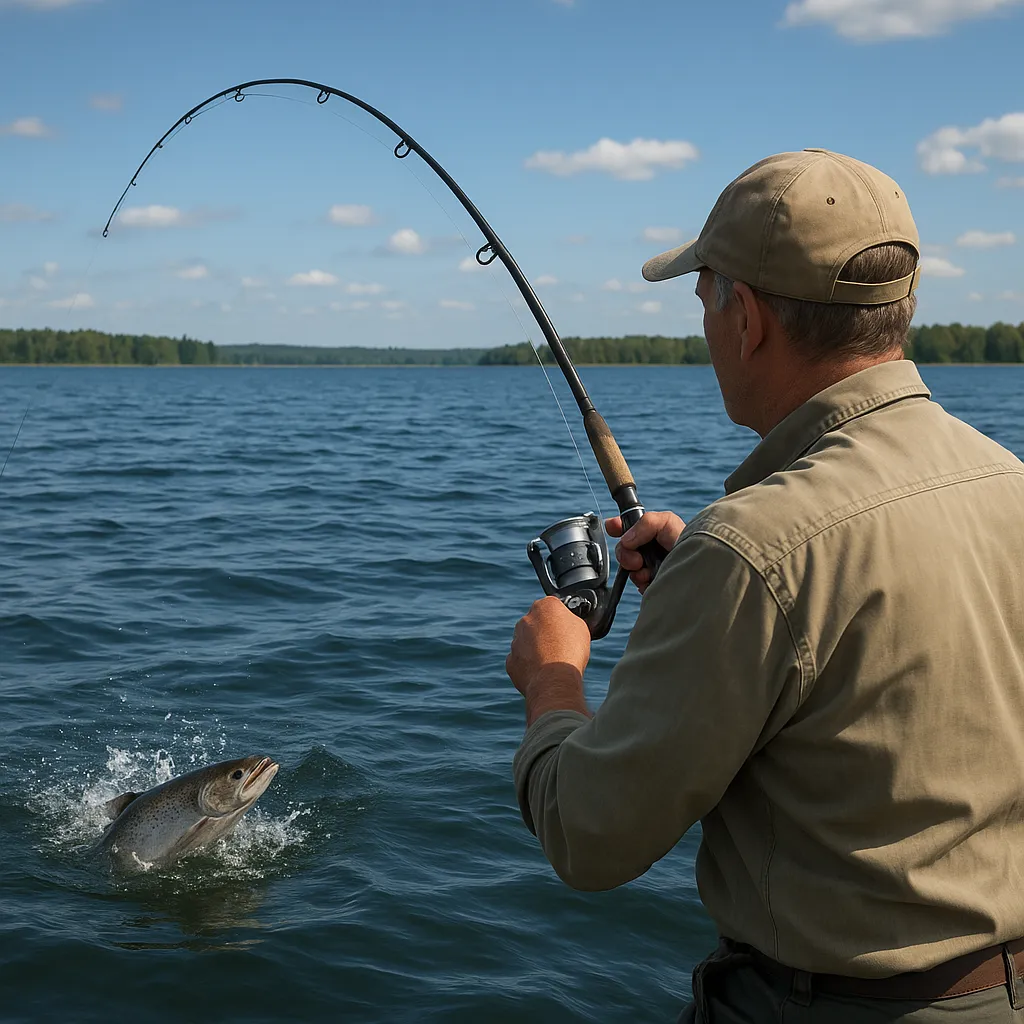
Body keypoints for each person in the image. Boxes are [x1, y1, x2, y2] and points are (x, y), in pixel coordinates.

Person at [505, 148, 1024, 1022]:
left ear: (744, 318)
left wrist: (552, 679)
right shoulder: (1008, 480)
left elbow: (589, 836)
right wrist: (716, 591)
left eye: (705, 298)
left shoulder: (753, 552)